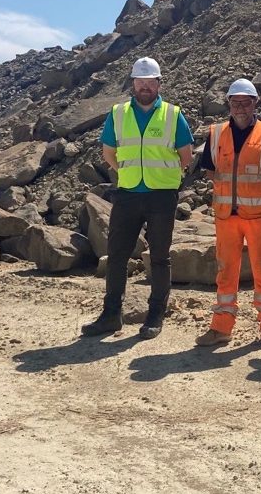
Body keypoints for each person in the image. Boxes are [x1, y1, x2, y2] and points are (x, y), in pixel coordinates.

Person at [81, 56, 194, 340]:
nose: (145, 86)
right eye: (140, 81)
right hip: (129, 194)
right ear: (134, 83)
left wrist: (162, 177)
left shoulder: (172, 114)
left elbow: (186, 156)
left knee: (159, 257)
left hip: (161, 197)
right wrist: (131, 173)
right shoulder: (118, 114)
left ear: (158, 83)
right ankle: (111, 315)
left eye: (150, 81)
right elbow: (109, 153)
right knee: (117, 255)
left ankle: (155, 314)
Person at [195, 79, 261, 350]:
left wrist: (259, 195)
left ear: (255, 103)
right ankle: (221, 328)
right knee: (226, 271)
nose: (240, 107)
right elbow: (211, 170)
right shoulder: (216, 133)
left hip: (258, 216)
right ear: (228, 104)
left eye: (245, 102)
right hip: (226, 216)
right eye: (235, 102)